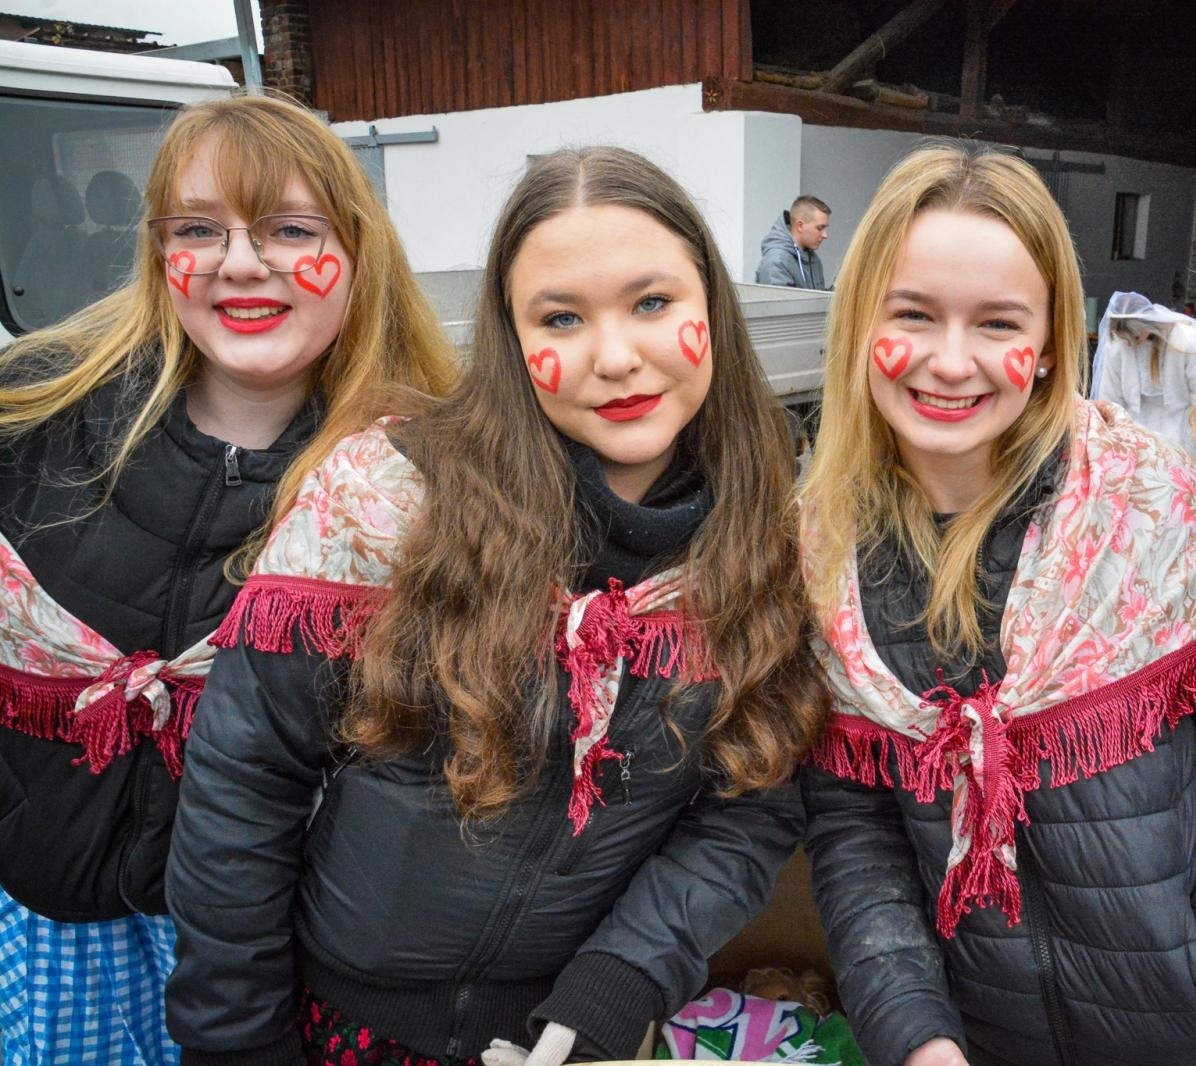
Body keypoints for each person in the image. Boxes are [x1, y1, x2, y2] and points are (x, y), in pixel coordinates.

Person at [163, 145, 829, 1066]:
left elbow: (749, 803)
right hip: (341, 1027)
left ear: (711, 308)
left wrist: (620, 983)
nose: (616, 358)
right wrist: (237, 1043)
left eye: (652, 303)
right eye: (561, 318)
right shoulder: (393, 501)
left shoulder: (769, 546)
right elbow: (245, 783)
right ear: (513, 340)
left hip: (574, 1036)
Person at [798, 143, 1196, 1066]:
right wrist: (915, 1033)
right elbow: (855, 827)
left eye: (998, 323)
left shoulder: (1154, 506)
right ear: (858, 324)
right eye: (912, 314)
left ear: (1046, 346)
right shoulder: (819, 554)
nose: (951, 362)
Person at [0, 93, 458, 1066]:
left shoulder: (421, 487)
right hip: (44, 944)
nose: (240, 263)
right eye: (199, 229)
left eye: (290, 230)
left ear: (359, 251)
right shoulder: (32, 414)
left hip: (273, 969)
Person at [1089, 290, 1196, 457]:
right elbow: (1110, 397)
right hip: (1136, 428)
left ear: (1147, 326)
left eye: (1134, 338)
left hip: (1181, 427)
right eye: (1124, 340)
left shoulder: (1187, 341)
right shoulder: (1117, 347)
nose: (1129, 345)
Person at [755, 195, 830, 289]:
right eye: (819, 228)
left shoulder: (812, 259)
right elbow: (780, 299)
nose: (825, 235)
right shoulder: (777, 262)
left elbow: (816, 298)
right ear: (800, 226)